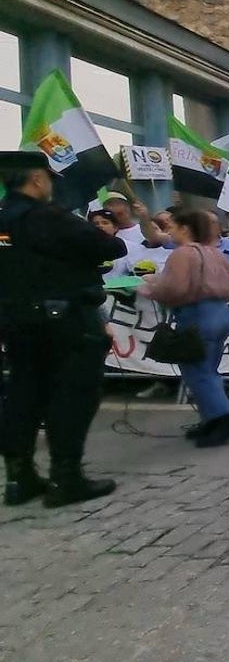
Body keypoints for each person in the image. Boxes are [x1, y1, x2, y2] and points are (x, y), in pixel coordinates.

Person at [0, 153, 125, 507]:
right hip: (66, 323)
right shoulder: (48, 217)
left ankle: (18, 477)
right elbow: (109, 246)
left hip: (15, 321)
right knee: (72, 396)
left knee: (23, 394)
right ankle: (65, 478)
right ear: (38, 179)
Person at [138, 210, 229, 447]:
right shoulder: (214, 252)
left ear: (185, 229)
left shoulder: (182, 254)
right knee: (208, 369)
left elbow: (175, 289)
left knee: (197, 371)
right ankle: (211, 420)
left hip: (198, 315)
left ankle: (225, 421)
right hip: (221, 314)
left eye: (172, 227)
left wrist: (150, 288)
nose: (169, 232)